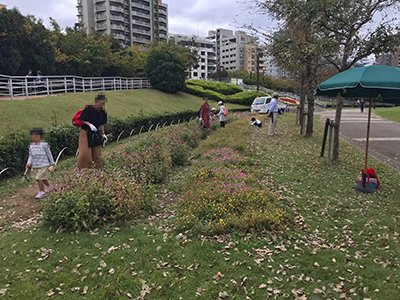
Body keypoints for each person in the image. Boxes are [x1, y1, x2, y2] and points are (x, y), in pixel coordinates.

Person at [77, 94, 108, 169]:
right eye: (100, 103)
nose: (101, 105)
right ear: (96, 102)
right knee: (85, 153)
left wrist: (103, 134)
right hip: (86, 132)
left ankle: (98, 167)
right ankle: (84, 168)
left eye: (103, 104)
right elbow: (82, 119)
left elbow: (101, 124)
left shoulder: (102, 112)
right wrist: (90, 124)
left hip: (95, 133)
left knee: (97, 152)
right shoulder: (88, 109)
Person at [26, 128, 55, 199]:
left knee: (38, 178)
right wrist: (29, 162)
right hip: (35, 165)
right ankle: (49, 186)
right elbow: (30, 155)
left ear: (41, 137)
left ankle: (42, 192)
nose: (34, 137)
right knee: (42, 178)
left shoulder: (44, 145)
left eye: (36, 136)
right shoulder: (31, 146)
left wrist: (52, 163)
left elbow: (49, 154)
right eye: (32, 136)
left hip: (44, 165)